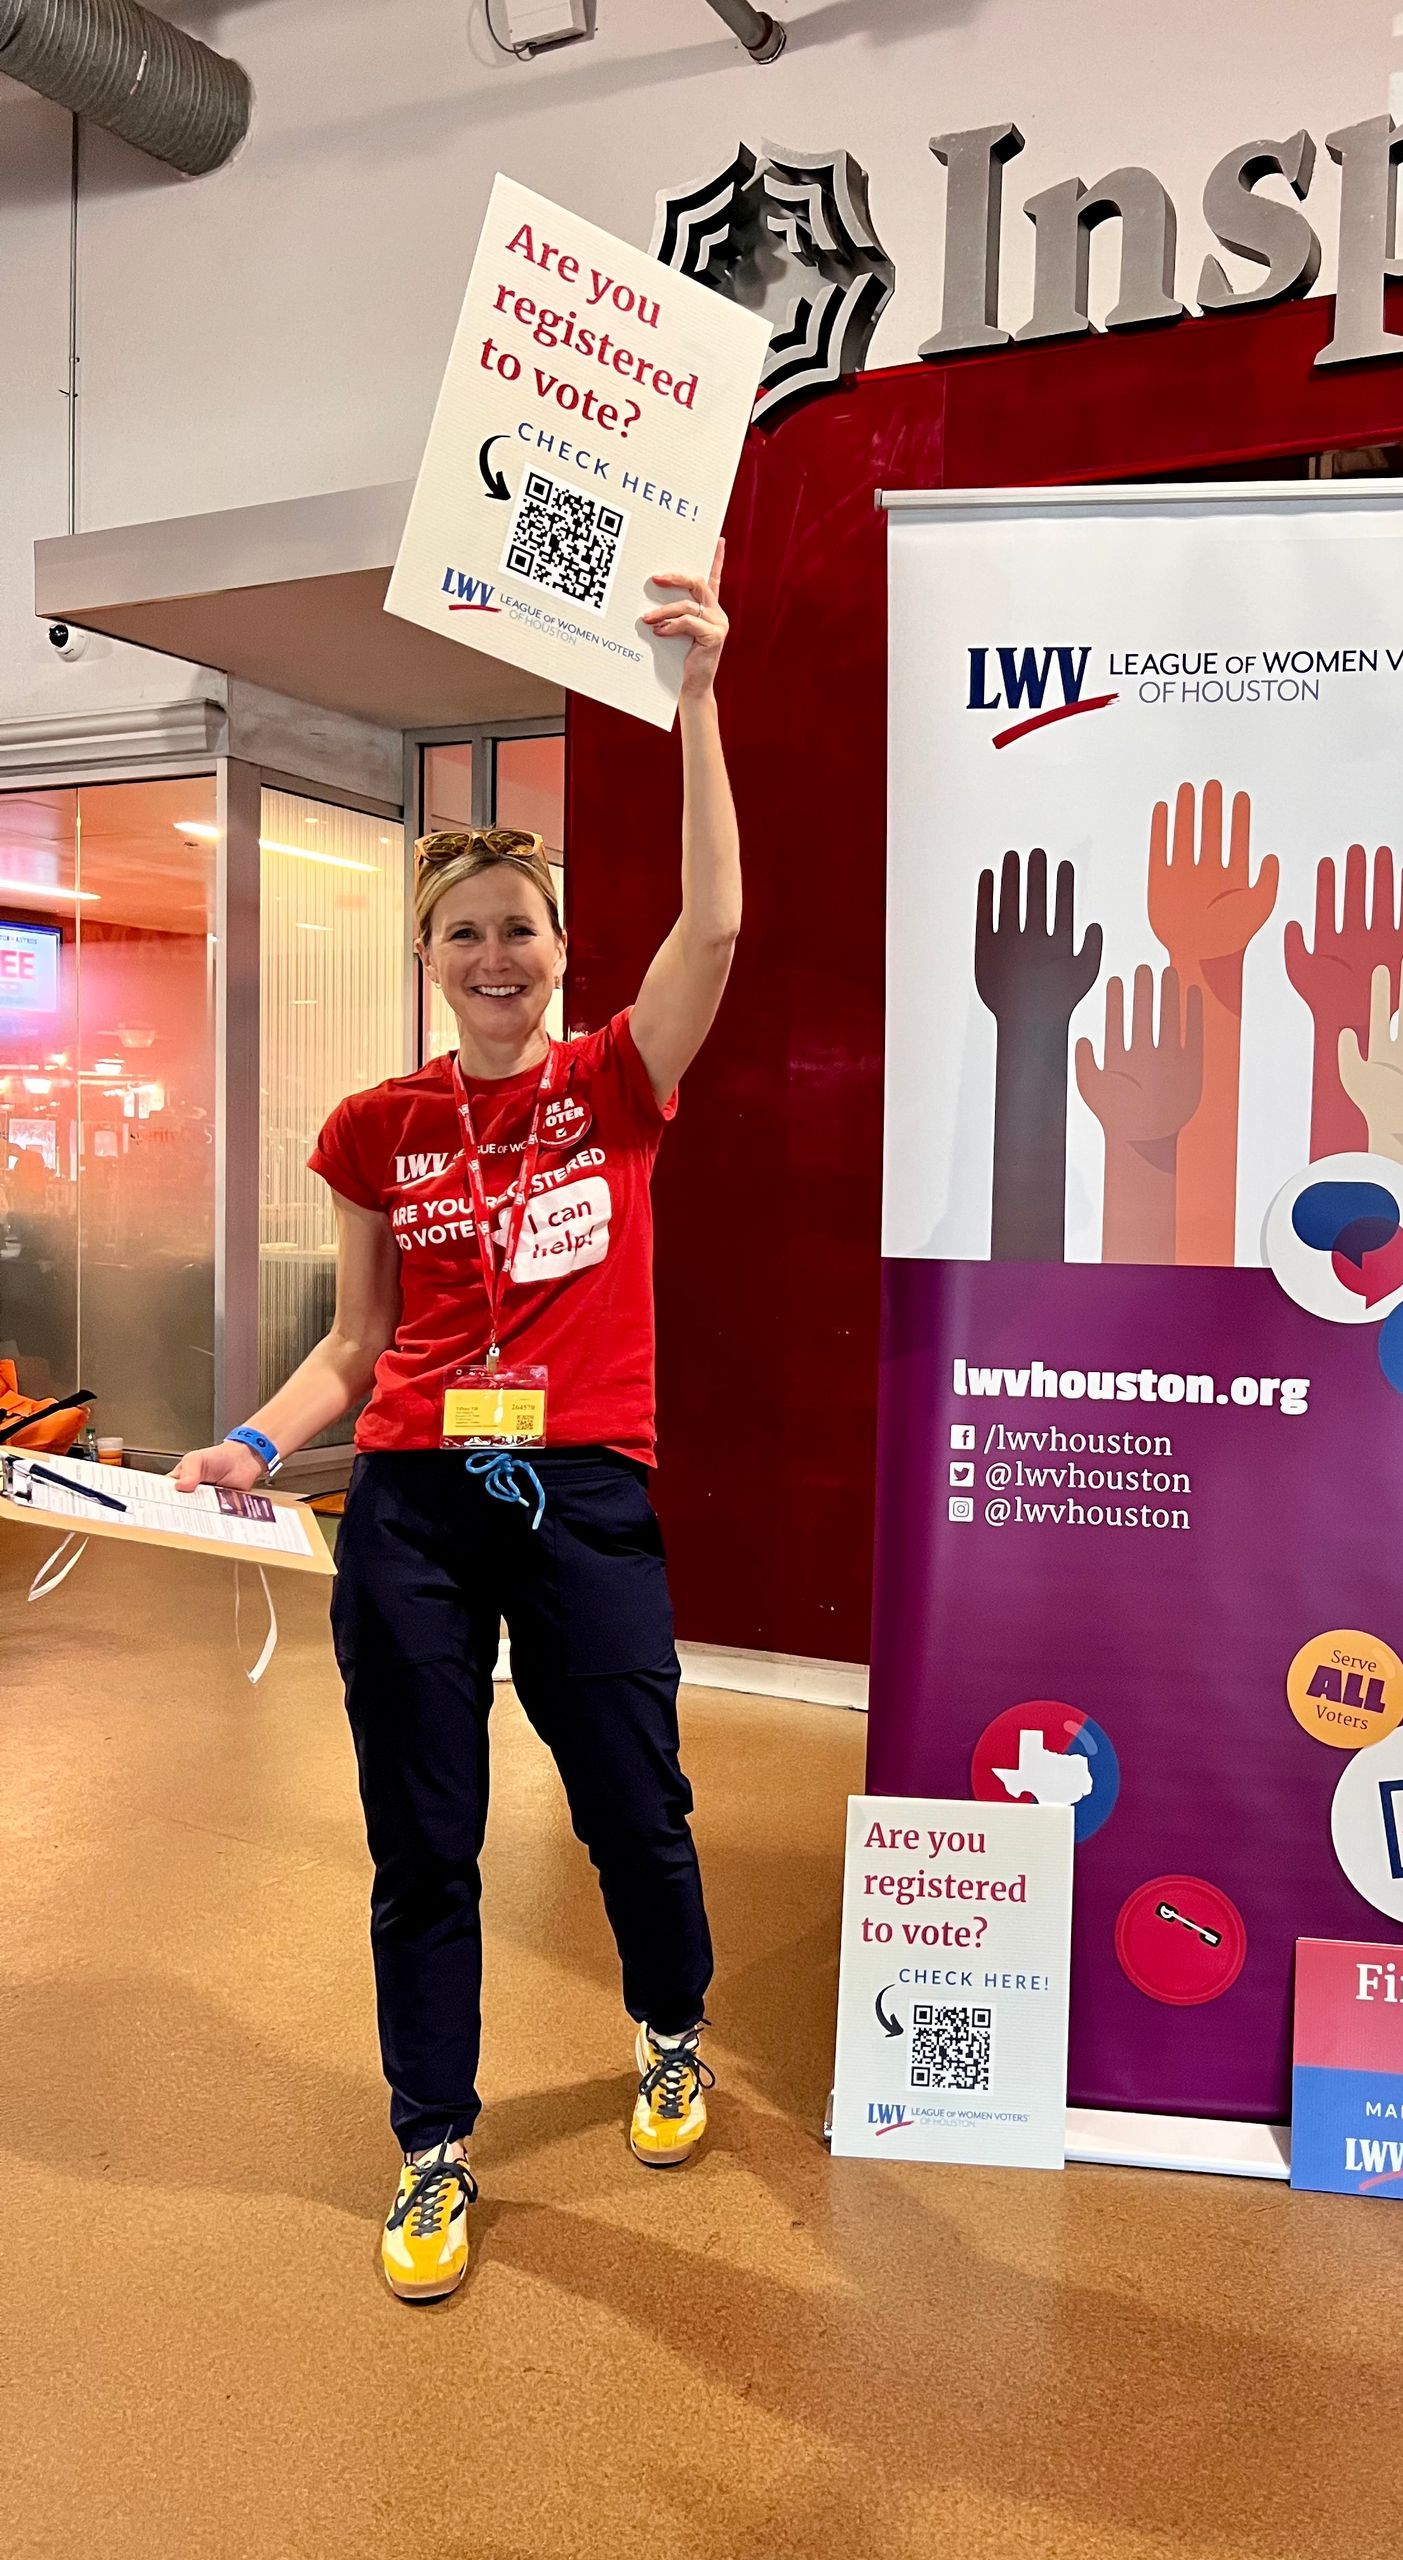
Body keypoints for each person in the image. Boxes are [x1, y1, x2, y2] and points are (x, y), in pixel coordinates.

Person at [173, 549, 737, 2303]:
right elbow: (354, 1345)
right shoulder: (374, 1126)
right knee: (422, 1836)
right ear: (427, 957)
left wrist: (695, 689)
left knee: (631, 1805)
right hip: (413, 1496)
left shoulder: (612, 1088)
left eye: (526, 928)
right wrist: (252, 1447)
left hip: (580, 1487)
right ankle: (431, 2145)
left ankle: (669, 2024)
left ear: (563, 953)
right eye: (467, 932)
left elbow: (713, 927)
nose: (499, 956)